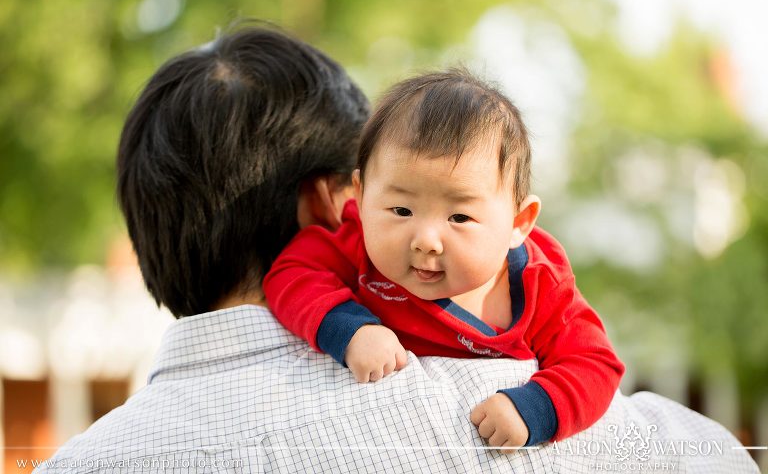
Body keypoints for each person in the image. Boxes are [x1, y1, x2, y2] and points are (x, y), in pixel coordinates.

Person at [35, 25, 758, 473]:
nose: (426, 240)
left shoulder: (79, 464)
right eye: (398, 205)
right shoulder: (614, 442)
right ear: (337, 204)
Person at [264, 69, 625, 450]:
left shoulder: (540, 288)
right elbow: (292, 273)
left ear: (518, 223)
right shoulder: (355, 241)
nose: (426, 241)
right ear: (361, 194)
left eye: (459, 218)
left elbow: (596, 364)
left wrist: (535, 409)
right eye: (401, 210)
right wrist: (347, 328)